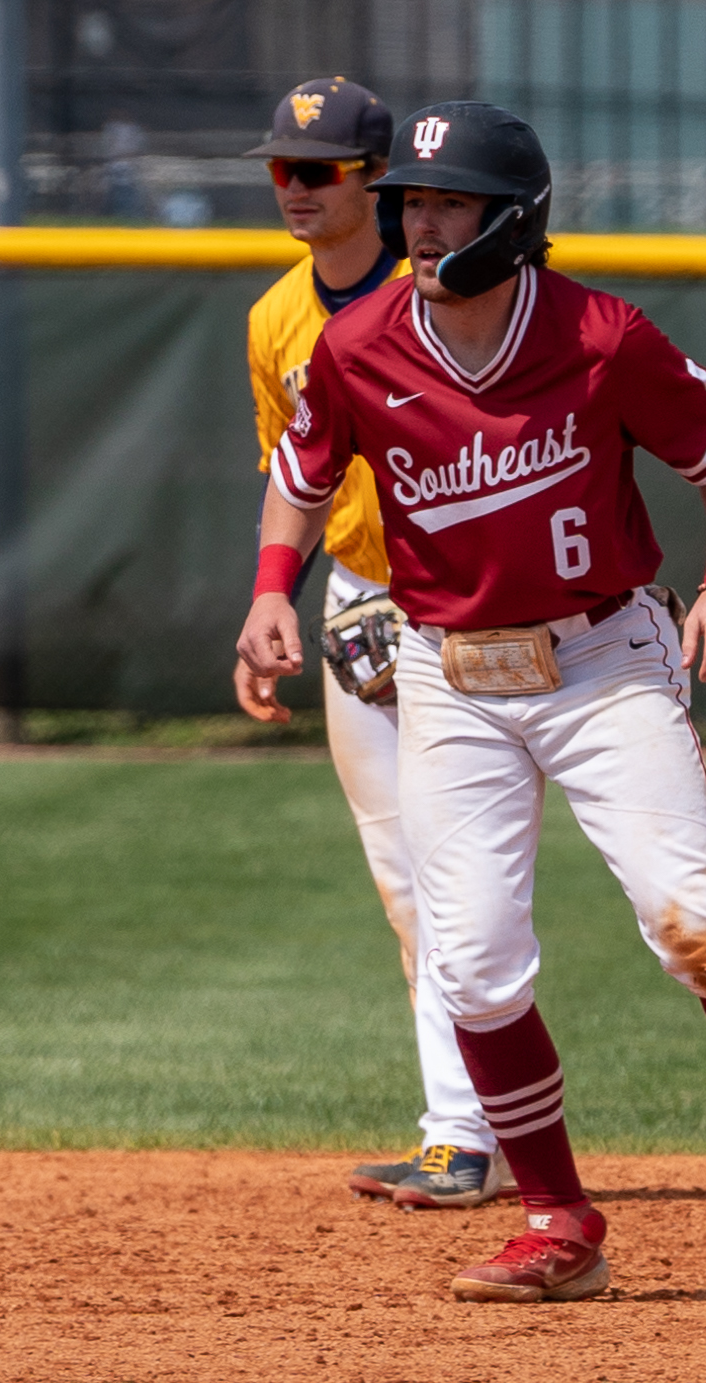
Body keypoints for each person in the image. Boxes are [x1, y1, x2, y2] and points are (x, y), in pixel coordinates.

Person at [236, 101, 706, 1304]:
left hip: (603, 661)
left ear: (515, 221)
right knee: (476, 966)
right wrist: (270, 595)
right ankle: (559, 1220)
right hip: (448, 672)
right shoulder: (360, 347)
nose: (421, 223)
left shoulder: (602, 336)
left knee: (699, 927)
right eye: (411, 202)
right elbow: (300, 472)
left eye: (448, 203)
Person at [236, 78, 511, 1210]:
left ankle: (490, 1126)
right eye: (282, 170)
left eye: (320, 170)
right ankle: (461, 1132)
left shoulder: (453, 290)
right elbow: (293, 478)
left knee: (503, 886)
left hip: (487, 606)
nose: (295, 190)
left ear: (376, 183)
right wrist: (270, 604)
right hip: (362, 599)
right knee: (410, 883)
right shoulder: (273, 322)